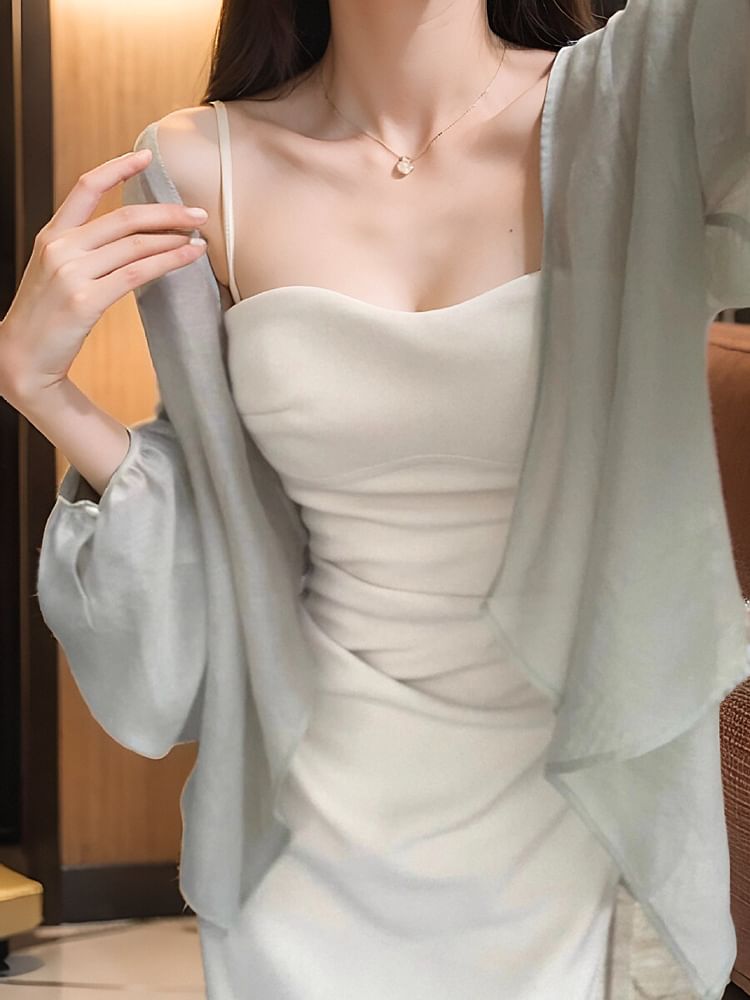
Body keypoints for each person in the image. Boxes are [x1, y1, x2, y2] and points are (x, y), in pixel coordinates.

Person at [1, 1, 748, 998]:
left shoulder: (639, 100)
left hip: (581, 805)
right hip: (311, 823)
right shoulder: (197, 163)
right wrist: (41, 388)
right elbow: (221, 509)